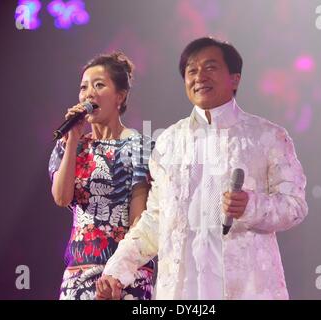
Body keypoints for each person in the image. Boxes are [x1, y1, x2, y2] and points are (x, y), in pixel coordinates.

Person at [96, 37, 308, 300]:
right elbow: (155, 220)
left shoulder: (267, 137)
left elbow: (295, 206)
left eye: (210, 67)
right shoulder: (168, 142)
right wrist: (117, 270)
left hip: (247, 287)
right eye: (191, 70)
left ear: (235, 79)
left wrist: (250, 206)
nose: (199, 76)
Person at [48, 52, 154, 300]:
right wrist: (73, 139)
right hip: (79, 275)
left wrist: (119, 273)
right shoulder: (68, 146)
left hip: (128, 275)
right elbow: (62, 198)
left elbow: (141, 217)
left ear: (121, 95)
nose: (89, 94)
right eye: (84, 87)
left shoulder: (141, 146)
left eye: (99, 85)